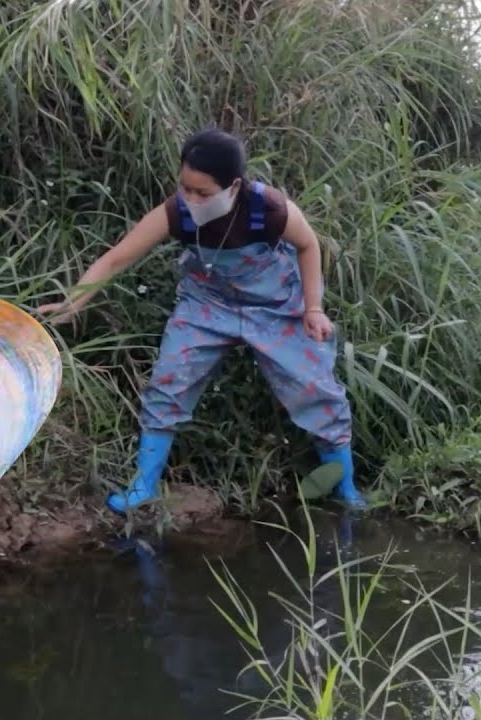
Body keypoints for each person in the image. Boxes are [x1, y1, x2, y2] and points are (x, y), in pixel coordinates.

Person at [36, 128, 365, 512]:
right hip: (206, 305)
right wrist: (73, 303)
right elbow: (117, 258)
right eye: (185, 188)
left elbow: (309, 246)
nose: (191, 199)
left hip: (275, 306)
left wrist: (313, 309)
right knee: (169, 380)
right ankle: (144, 486)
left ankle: (346, 489)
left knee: (315, 388)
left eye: (203, 193)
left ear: (234, 186)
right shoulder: (176, 212)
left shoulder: (270, 208)